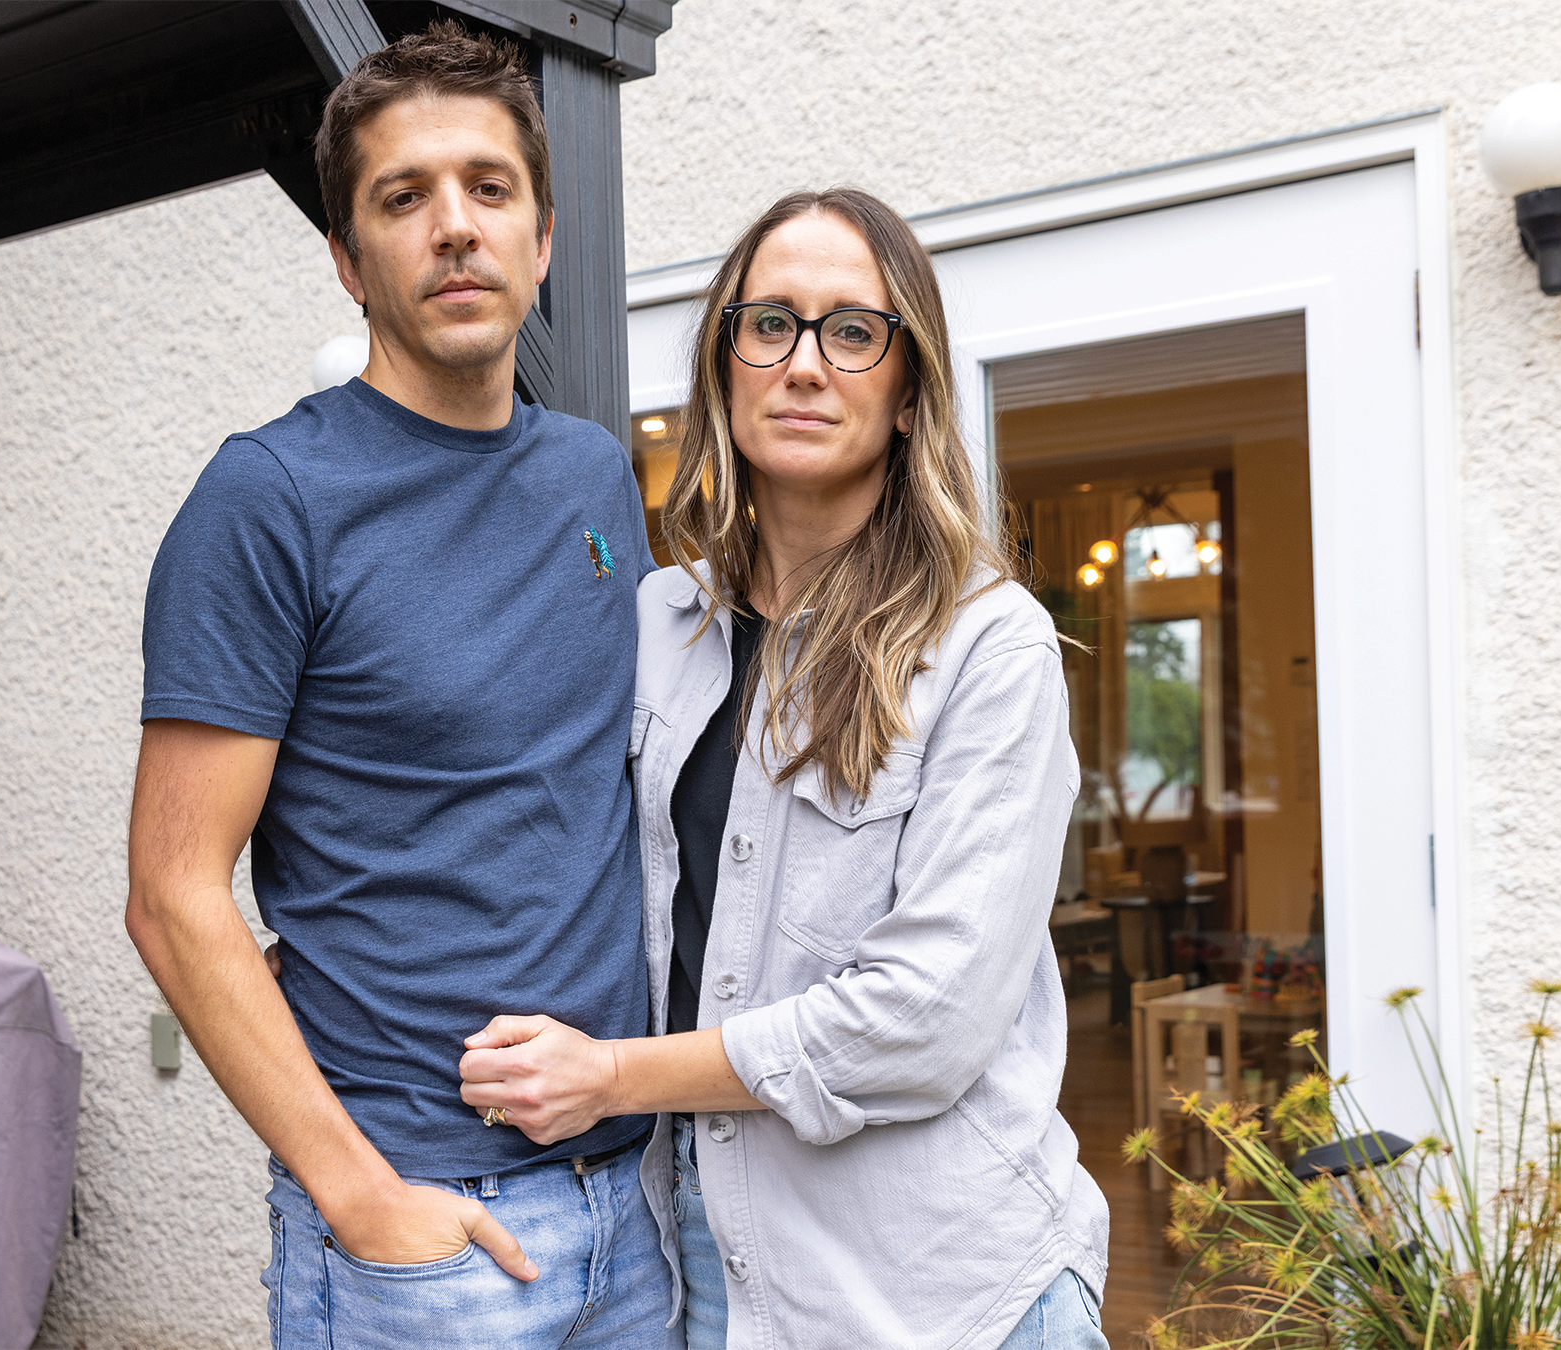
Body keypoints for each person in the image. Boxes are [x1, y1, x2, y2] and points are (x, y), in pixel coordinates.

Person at [458, 188, 1112, 1350]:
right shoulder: (657, 622)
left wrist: (611, 1076)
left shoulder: (983, 643)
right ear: (724, 365)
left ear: (909, 392)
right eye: (771, 324)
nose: (805, 363)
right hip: (717, 1265)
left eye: (852, 331)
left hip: (952, 1291)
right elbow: (522, 822)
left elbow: (928, 1020)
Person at [124, 24, 673, 1349]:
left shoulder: (596, 476)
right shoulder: (269, 499)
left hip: (631, 1202)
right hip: (427, 1241)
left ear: (543, 241)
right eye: (402, 197)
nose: (453, 228)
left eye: (490, 189)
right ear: (348, 258)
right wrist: (360, 1192)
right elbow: (174, 893)